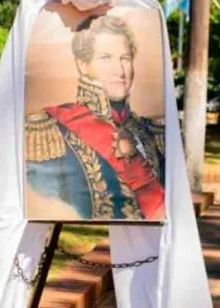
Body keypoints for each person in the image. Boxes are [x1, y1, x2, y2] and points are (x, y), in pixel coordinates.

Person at [25, 14, 166, 221]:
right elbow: (45, 207)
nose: (120, 71)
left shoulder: (150, 131)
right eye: (106, 58)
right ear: (83, 65)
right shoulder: (49, 131)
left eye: (125, 59)